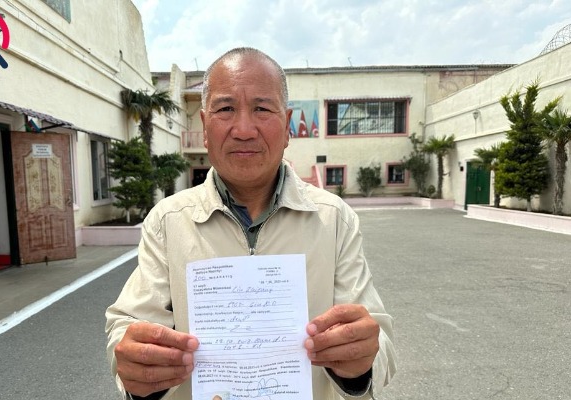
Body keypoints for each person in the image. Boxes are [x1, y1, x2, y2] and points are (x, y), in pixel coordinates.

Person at [105, 47, 396, 400]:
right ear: (205, 127)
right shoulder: (167, 221)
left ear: (287, 126)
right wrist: (137, 365)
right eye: (226, 109)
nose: (244, 130)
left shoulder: (334, 219)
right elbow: (128, 323)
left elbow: (379, 339)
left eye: (262, 109)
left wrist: (361, 363)